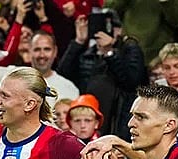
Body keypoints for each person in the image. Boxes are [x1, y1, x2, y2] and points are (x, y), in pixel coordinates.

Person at [57, 9, 146, 139]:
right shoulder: (88, 54)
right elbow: (63, 74)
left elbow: (132, 82)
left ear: (119, 30)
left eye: (109, 27)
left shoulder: (129, 49)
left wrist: (110, 53)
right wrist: (78, 41)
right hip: (89, 124)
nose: (104, 31)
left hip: (119, 124)